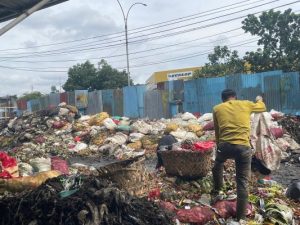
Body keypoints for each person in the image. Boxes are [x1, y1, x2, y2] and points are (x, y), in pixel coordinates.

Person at [212, 89, 266, 221]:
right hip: (243, 148)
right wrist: (259, 99)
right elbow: (262, 107)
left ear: (223, 99)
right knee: (242, 182)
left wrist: (219, 146)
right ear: (235, 97)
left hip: (224, 146)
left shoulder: (217, 108)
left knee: (217, 165)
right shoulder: (246, 104)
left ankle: (218, 190)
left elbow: (217, 130)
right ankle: (241, 218)